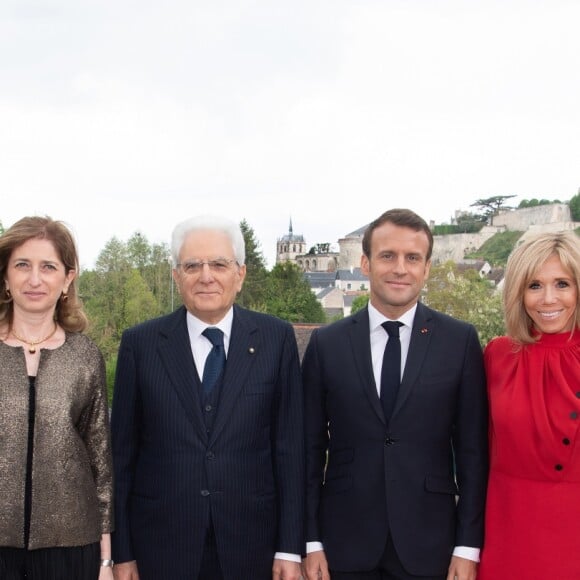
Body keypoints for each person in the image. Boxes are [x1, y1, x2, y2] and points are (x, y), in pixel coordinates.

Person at [110, 215, 305, 580]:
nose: (206, 275)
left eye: (219, 264)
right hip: (161, 549)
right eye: (192, 265)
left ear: (240, 274)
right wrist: (122, 554)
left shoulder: (275, 340)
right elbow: (121, 458)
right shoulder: (141, 345)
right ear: (175, 275)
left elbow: (290, 451)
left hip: (253, 548)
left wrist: (290, 547)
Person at [302, 208, 489, 580]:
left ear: (427, 268)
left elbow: (473, 452)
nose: (400, 268)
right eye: (388, 256)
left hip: (431, 546)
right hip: (342, 546)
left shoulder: (459, 342)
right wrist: (310, 541)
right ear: (366, 264)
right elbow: (307, 450)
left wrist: (468, 546)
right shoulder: (327, 344)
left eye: (412, 258)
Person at [0, 216, 114, 580]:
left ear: (67, 278)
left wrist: (106, 562)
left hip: (70, 549)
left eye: (48, 267)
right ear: (5, 276)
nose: (35, 279)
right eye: (22, 265)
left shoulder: (84, 356)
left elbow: (101, 462)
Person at [477, 231, 580, 579]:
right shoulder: (498, 355)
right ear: (518, 292)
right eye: (534, 285)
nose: (548, 298)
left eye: (562, 283)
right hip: (509, 538)